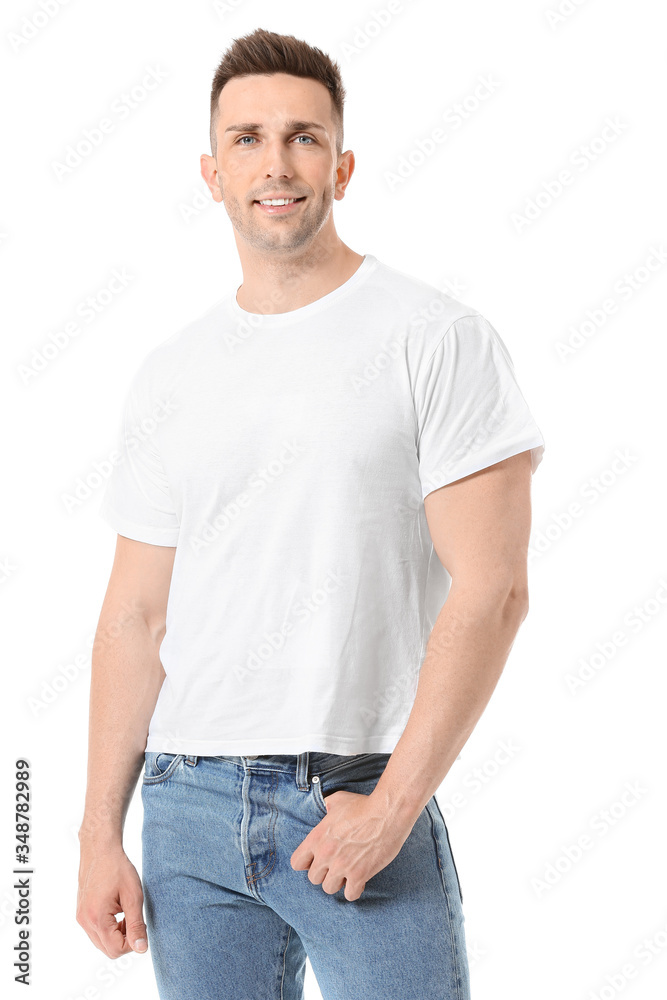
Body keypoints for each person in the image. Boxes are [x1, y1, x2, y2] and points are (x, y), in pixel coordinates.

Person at [76, 26, 545, 1000]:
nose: (275, 162)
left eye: (301, 135)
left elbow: (492, 589)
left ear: (343, 161)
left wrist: (392, 805)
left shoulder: (434, 339)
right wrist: (95, 834)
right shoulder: (172, 374)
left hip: (352, 792)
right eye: (247, 138)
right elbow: (133, 617)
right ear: (211, 172)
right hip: (186, 811)